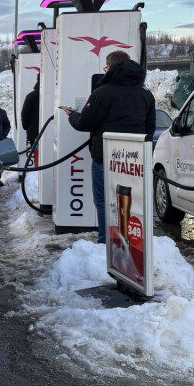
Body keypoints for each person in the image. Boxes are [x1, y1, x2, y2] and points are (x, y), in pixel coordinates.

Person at [63, 51, 155, 244]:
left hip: (104, 158)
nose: (104, 71)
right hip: (134, 161)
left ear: (111, 68)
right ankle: (130, 242)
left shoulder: (102, 92)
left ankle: (106, 243)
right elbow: (150, 128)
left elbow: (84, 123)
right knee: (133, 204)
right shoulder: (146, 94)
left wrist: (71, 115)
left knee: (104, 202)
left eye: (105, 68)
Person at [20, 76, 41, 184]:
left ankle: (37, 181)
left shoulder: (31, 96)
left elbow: (25, 114)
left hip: (34, 134)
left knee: (36, 157)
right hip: (47, 134)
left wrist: (27, 127)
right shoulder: (50, 95)